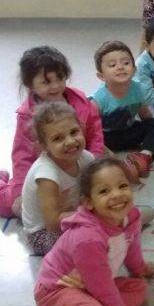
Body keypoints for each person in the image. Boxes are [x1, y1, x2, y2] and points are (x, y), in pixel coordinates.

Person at [0, 46, 104, 218]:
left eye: (60, 78)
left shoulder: (80, 101)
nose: (55, 86)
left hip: (75, 168)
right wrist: (20, 190)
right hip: (44, 174)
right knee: (15, 207)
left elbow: (96, 134)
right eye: (46, 82)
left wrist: (94, 166)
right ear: (30, 85)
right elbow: (22, 156)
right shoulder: (27, 116)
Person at [34, 157, 154, 306]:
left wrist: (140, 269)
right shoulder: (87, 239)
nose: (117, 195)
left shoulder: (131, 217)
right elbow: (103, 288)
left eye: (123, 186)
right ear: (88, 202)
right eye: (104, 191)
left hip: (88, 285)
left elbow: (132, 247)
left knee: (138, 288)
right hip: (56, 290)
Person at [20, 102, 96, 256]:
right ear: (44, 146)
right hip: (43, 233)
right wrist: (93, 216)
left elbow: (96, 191)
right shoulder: (46, 174)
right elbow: (53, 223)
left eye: (74, 132)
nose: (70, 141)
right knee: (87, 240)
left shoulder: (87, 158)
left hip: (72, 215)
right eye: (58, 138)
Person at [90, 41, 154, 183]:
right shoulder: (98, 99)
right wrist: (108, 154)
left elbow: (144, 114)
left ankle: (144, 156)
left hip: (128, 131)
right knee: (86, 145)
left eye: (126, 63)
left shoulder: (138, 88)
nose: (120, 67)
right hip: (105, 138)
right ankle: (114, 165)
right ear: (101, 76)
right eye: (112, 65)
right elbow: (90, 131)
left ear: (134, 70)